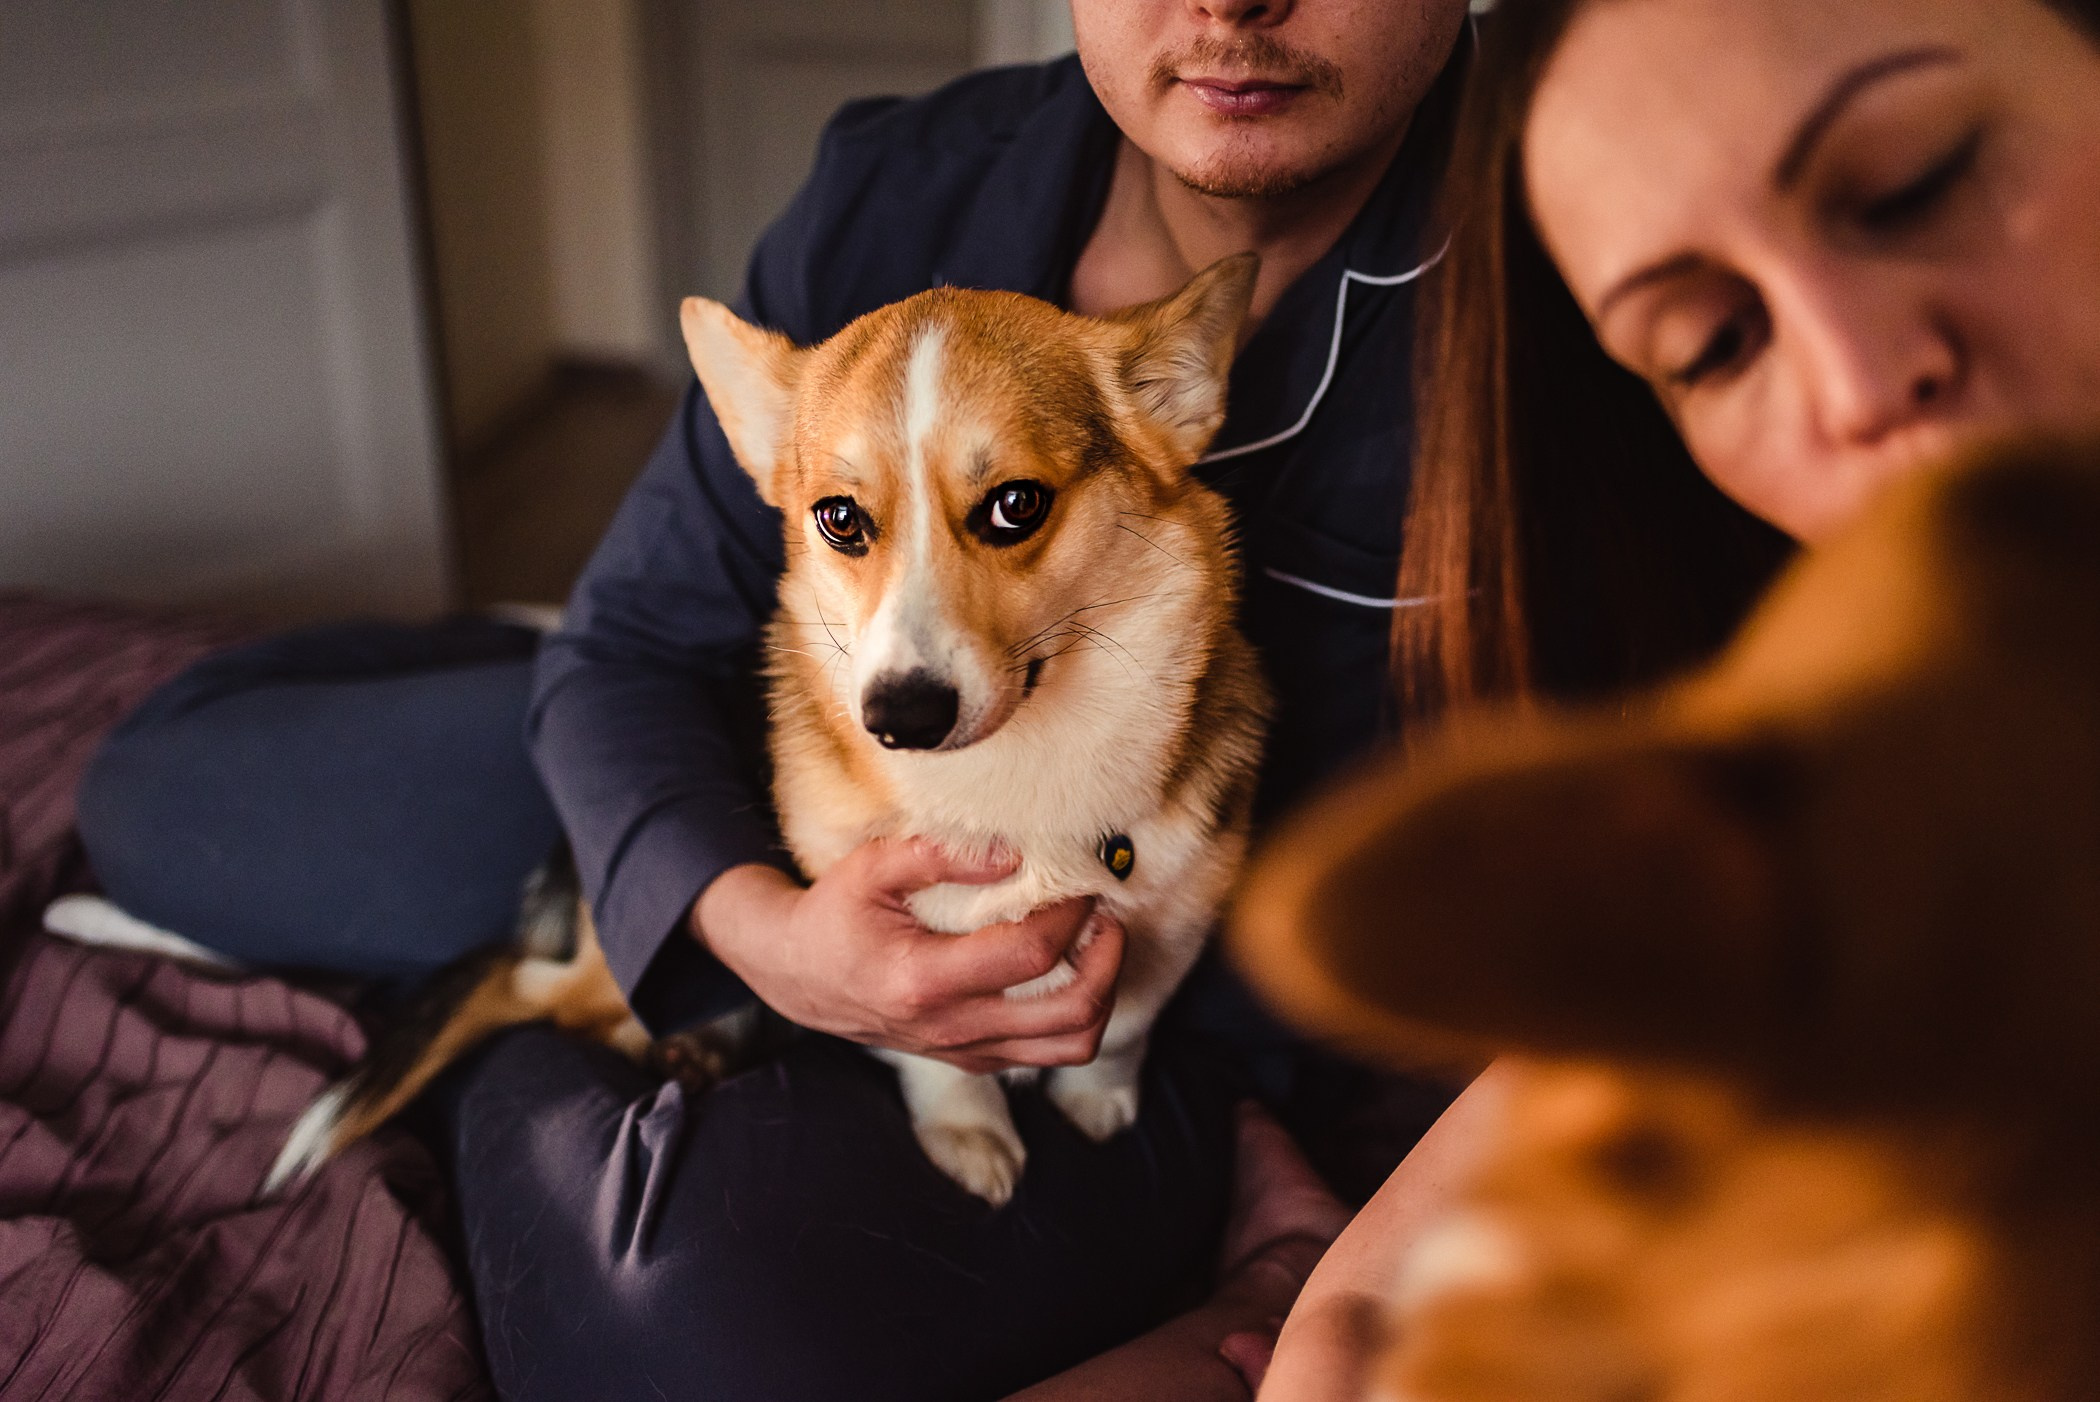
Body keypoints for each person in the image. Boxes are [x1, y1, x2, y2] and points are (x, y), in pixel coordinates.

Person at [78, 2, 1477, 1398]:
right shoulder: (896, 182)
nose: (1231, 2)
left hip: (1162, 1027)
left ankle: (531, 994)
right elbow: (632, 635)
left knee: (674, 1316)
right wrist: (759, 931)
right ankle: (558, 872)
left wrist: (1311, 1256)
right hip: (786, 773)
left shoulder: (1609, 259)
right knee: (158, 788)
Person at [1255, 0, 2100, 1395]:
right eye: (1714, 345)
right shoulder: (1879, 805)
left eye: (1916, 183)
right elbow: (1349, 1329)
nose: (1860, 377)